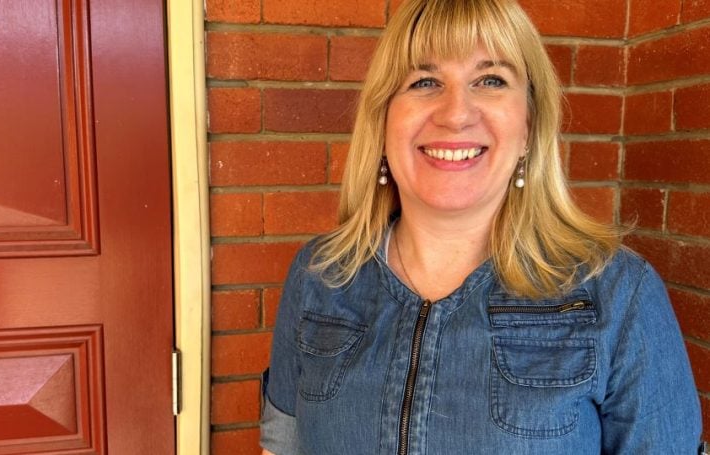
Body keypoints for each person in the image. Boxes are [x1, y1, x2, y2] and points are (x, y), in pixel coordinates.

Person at [259, 0, 704, 453]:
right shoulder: (321, 275)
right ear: (383, 120)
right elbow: (282, 448)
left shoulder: (618, 294)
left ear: (529, 126)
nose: (455, 113)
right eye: (424, 81)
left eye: (490, 80)